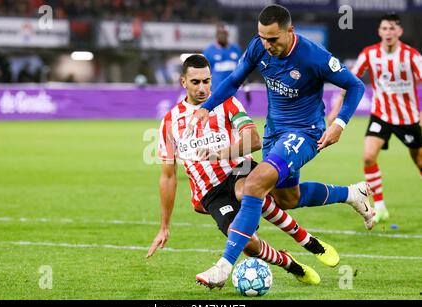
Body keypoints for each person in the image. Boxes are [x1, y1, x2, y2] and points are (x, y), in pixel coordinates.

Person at [187, 5, 376, 289]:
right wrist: (207, 107)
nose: (267, 44)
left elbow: (355, 86)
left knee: (254, 185)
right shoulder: (258, 48)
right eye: (262, 37)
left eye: (273, 39)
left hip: (305, 133)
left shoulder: (314, 56)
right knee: (287, 199)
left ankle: (223, 266)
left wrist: (339, 124)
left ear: (290, 32)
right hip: (274, 133)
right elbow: (235, 80)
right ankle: (352, 193)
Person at [147, 54, 341, 286]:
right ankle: (290, 264)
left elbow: (255, 140)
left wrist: (220, 154)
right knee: (248, 244)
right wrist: (164, 227)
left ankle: (307, 240)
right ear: (183, 82)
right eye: (195, 82)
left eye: (207, 81)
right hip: (210, 192)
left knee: (246, 189)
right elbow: (168, 177)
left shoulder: (226, 103)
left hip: (241, 167)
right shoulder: (169, 122)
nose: (202, 88)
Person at [328, 13, 422, 223]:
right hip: (381, 115)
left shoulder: (411, 55)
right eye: (385, 29)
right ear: (379, 31)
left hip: (408, 119)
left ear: (399, 31)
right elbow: (349, 80)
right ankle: (380, 207)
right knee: (369, 157)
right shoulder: (369, 54)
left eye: (392, 28)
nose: (388, 32)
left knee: (419, 161)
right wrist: (335, 110)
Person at [203, 23, 243, 91]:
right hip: (216, 91)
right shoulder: (209, 51)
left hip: (232, 91)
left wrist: (246, 85)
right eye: (219, 33)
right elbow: (204, 72)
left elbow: (242, 68)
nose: (222, 35)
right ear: (216, 35)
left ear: (227, 34)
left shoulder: (236, 49)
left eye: (223, 33)